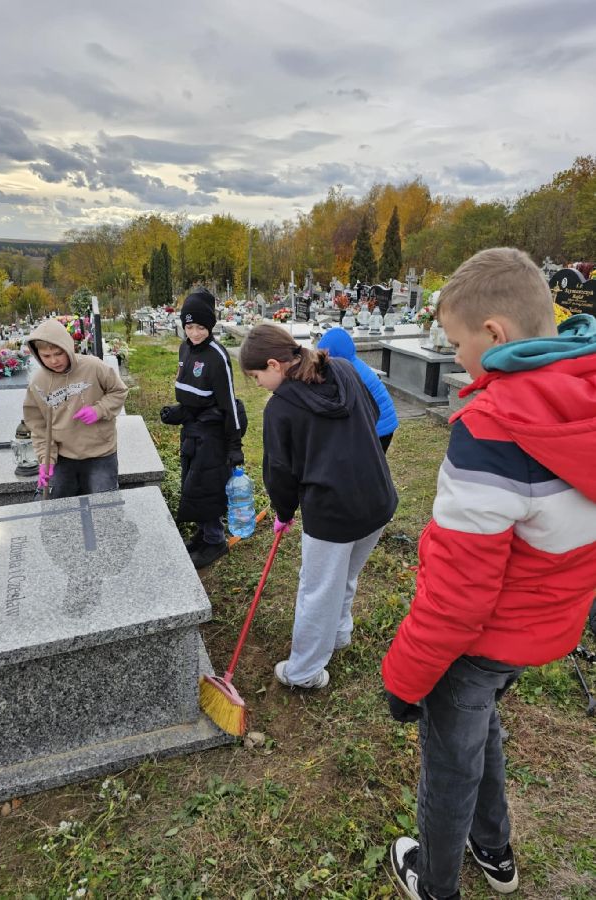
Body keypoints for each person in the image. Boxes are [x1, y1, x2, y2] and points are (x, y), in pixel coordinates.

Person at [382, 247, 596, 900]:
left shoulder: (494, 427)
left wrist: (403, 677)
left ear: (494, 334)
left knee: (448, 764)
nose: (456, 359)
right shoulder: (583, 394)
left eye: (455, 343)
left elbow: (457, 596)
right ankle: (493, 848)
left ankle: (435, 882)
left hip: (478, 641)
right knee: (480, 731)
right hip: (545, 622)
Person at [239, 323, 397, 689]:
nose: (258, 383)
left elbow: (280, 472)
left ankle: (304, 671)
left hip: (333, 514)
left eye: (257, 375)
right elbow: (374, 416)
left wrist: (283, 512)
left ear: (276, 364)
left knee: (318, 590)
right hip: (377, 499)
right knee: (344, 577)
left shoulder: (280, 409)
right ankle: (339, 633)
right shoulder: (341, 368)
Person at [160, 288, 245, 570]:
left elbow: (228, 403)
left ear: (211, 326)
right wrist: (178, 412)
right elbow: (189, 391)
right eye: (189, 326)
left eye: (200, 327)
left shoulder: (217, 356)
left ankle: (215, 540)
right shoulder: (185, 348)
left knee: (205, 484)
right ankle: (203, 532)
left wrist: (234, 446)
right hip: (192, 428)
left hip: (212, 430)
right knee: (190, 481)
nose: (195, 333)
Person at [23, 319, 128, 498]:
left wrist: (99, 410)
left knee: (105, 507)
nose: (54, 361)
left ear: (68, 348)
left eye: (58, 353)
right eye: (46, 356)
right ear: (37, 354)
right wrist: (45, 460)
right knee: (54, 508)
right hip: (62, 456)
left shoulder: (93, 367)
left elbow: (119, 391)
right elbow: (38, 426)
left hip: (100, 453)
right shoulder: (38, 383)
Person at [317, 327, 399, 452]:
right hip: (381, 422)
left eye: (325, 354)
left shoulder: (349, 372)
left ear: (335, 353)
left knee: (369, 466)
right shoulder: (351, 363)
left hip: (379, 427)